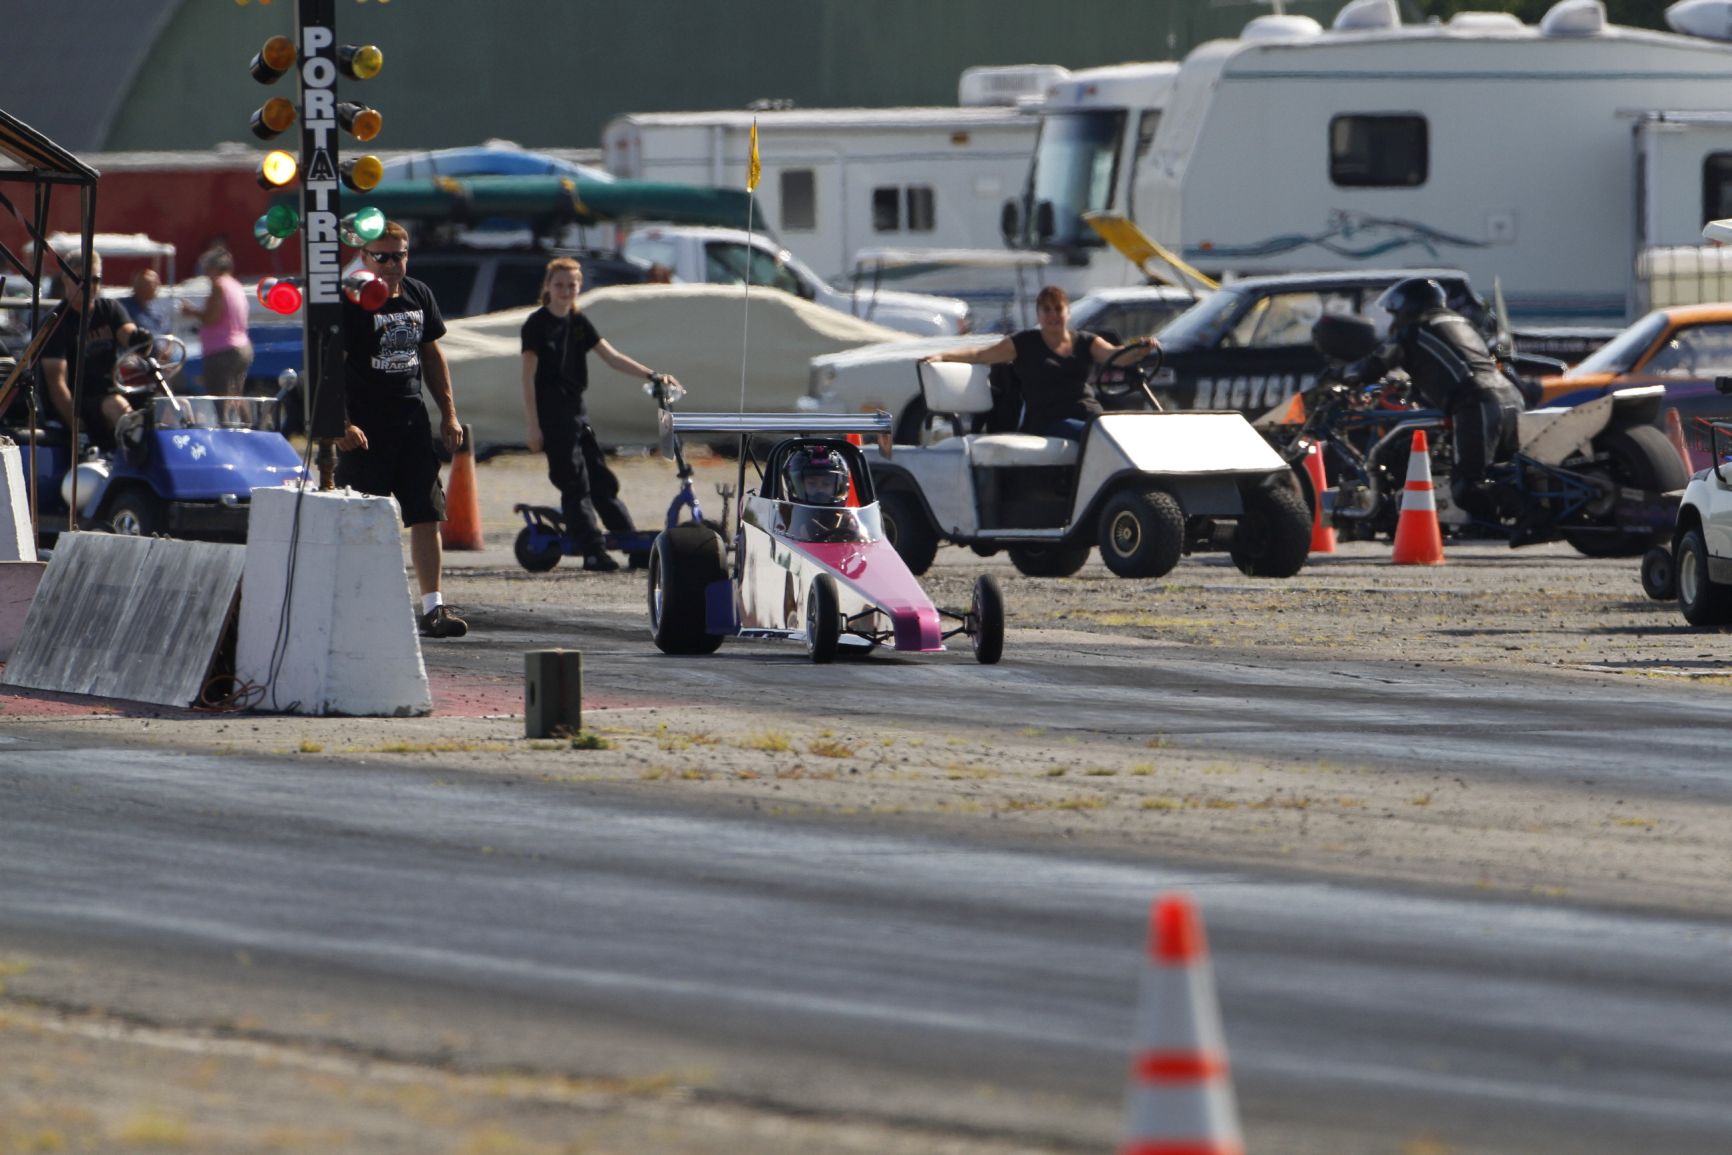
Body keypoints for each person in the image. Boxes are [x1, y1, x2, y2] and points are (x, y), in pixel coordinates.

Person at [335, 221, 468, 638]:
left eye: (401, 255)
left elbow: (431, 354)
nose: (394, 264)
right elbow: (328, 366)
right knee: (365, 518)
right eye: (384, 256)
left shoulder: (418, 294)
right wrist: (339, 424)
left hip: (411, 420)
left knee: (427, 512)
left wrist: (448, 412)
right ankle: (359, 603)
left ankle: (434, 607)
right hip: (366, 427)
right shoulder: (351, 300)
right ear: (364, 257)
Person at [520, 257, 680, 571]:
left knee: (602, 481)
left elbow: (612, 356)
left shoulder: (578, 321)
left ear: (579, 288)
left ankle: (632, 544)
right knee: (574, 482)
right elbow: (527, 378)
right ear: (548, 287)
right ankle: (593, 551)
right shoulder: (536, 325)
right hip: (554, 416)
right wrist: (533, 427)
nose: (566, 291)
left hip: (578, 413)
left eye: (572, 285)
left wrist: (652, 375)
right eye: (559, 285)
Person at [1343, 276, 1526, 523]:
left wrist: (1340, 374)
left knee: (1468, 486)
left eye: (1396, 312)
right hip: (1510, 396)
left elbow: (1371, 366)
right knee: (1507, 472)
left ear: (1410, 306)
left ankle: (1532, 515)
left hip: (1477, 400)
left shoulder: (1414, 331)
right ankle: (1495, 524)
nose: (1395, 319)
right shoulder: (1460, 323)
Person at [919, 285, 1159, 439]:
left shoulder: (1086, 341)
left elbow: (1117, 356)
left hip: (1090, 415)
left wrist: (1141, 350)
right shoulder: (1024, 343)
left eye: (1058, 309)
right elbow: (980, 355)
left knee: (1120, 434)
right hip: (1048, 421)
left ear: (1068, 312)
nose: (1053, 315)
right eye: (1047, 310)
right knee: (1095, 438)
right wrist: (943, 356)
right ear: (1038, 315)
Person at [39, 251, 140, 448]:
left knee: (172, 407)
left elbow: (130, 336)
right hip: (78, 403)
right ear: (66, 279)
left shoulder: (109, 309)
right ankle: (134, 464)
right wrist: (78, 428)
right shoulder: (56, 322)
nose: (89, 286)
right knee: (116, 405)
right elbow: (56, 385)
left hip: (112, 392)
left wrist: (141, 339)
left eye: (95, 280)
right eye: (81, 280)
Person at [181, 247, 252, 396]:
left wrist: (191, 311)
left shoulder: (219, 286)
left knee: (221, 398)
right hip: (242, 346)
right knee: (237, 395)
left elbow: (212, 318)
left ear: (213, 267)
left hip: (222, 351)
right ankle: (246, 420)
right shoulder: (235, 285)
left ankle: (224, 420)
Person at [121, 269, 174, 337]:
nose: (156, 287)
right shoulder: (124, 307)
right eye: (152, 284)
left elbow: (168, 333)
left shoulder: (158, 308)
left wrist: (167, 347)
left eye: (157, 283)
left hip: (161, 344)